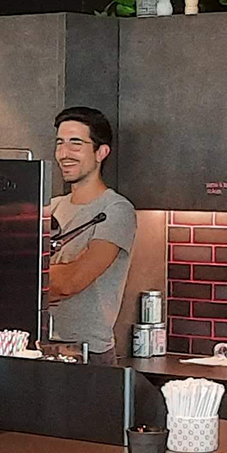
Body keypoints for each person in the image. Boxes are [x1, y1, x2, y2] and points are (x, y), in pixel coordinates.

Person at [44, 106, 137, 356]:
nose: (64, 153)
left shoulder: (116, 210)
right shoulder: (50, 207)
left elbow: (70, 282)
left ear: (101, 152)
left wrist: (43, 275)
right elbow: (15, 273)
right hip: (42, 348)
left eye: (76, 144)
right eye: (60, 143)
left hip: (90, 353)